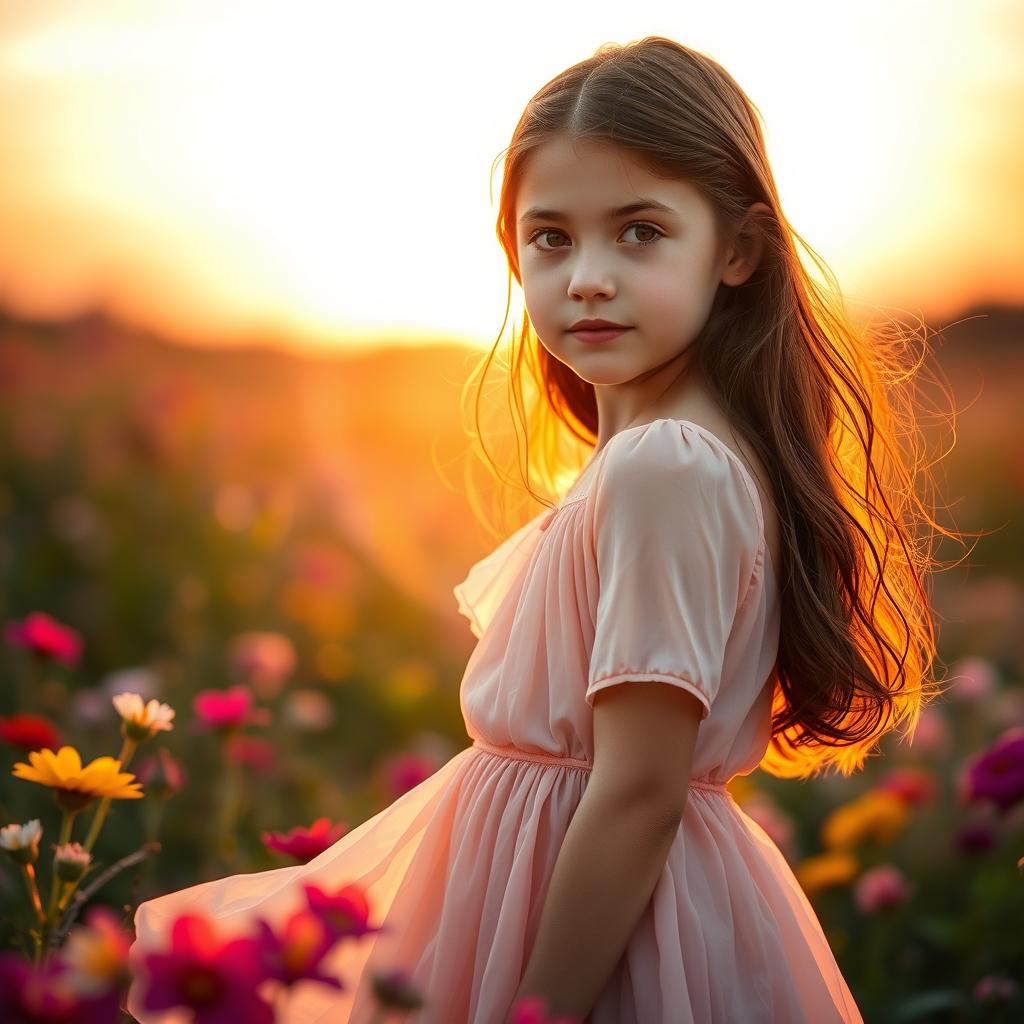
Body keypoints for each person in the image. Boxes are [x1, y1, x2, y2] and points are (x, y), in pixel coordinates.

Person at [126, 35, 948, 1023]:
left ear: (737, 249)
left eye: (639, 232)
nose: (586, 276)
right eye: (550, 237)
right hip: (574, 897)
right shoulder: (663, 454)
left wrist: (538, 1010)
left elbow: (640, 788)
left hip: (601, 935)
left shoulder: (667, 465)